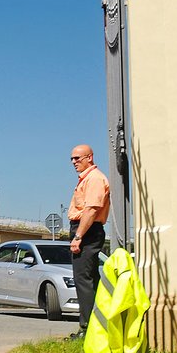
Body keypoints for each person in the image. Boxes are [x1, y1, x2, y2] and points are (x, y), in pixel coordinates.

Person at [66, 143, 110, 340]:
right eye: (72, 159)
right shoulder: (87, 179)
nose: (74, 162)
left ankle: (88, 329)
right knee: (89, 280)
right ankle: (93, 327)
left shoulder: (94, 179)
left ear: (89, 158)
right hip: (85, 230)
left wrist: (78, 237)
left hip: (87, 231)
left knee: (84, 280)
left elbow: (91, 210)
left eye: (78, 158)